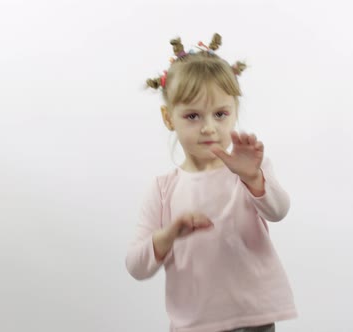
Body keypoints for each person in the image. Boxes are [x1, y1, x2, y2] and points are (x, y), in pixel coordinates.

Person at [125, 33, 297, 332]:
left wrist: (252, 177)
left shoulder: (247, 169)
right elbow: (136, 266)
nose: (209, 127)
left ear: (234, 111)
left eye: (220, 114)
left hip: (253, 319)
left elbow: (279, 211)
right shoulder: (164, 188)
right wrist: (170, 233)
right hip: (193, 325)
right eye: (192, 116)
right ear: (168, 118)